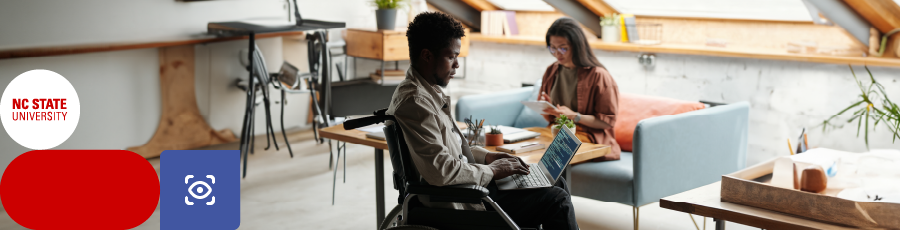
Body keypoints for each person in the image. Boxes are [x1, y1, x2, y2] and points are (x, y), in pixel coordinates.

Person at [386, 12, 578, 229]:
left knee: (555, 181)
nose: (457, 65)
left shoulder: (427, 93)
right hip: (460, 201)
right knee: (557, 201)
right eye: (451, 57)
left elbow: (454, 151)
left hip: (469, 186)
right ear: (427, 55)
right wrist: (494, 171)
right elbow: (441, 171)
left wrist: (488, 157)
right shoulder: (416, 102)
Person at [539, 17, 622, 161]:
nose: (557, 54)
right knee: (524, 140)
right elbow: (551, 119)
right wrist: (548, 109)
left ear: (577, 46)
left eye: (563, 48)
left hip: (588, 135)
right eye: (552, 48)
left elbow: (607, 122)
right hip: (556, 130)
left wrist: (575, 116)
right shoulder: (551, 70)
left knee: (552, 151)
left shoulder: (599, 76)